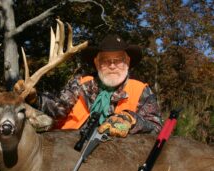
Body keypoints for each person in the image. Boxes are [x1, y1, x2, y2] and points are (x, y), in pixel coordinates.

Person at [19, 34, 162, 137]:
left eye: (118, 60)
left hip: (118, 157)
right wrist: (34, 99)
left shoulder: (140, 90)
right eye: (106, 61)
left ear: (127, 62)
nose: (112, 66)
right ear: (97, 63)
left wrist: (131, 120)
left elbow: (156, 127)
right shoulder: (81, 84)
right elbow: (58, 107)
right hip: (69, 148)